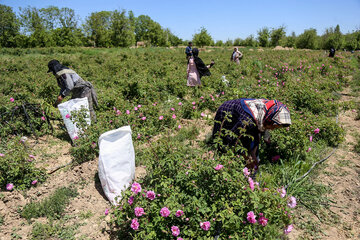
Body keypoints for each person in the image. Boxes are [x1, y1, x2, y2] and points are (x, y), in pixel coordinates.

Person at [212, 98, 291, 170]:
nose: (273, 129)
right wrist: (247, 158)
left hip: (245, 115)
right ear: (268, 120)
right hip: (227, 111)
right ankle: (218, 163)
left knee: (249, 140)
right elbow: (232, 137)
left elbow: (256, 135)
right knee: (222, 141)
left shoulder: (269, 111)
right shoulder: (247, 120)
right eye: (273, 126)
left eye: (276, 127)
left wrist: (252, 155)